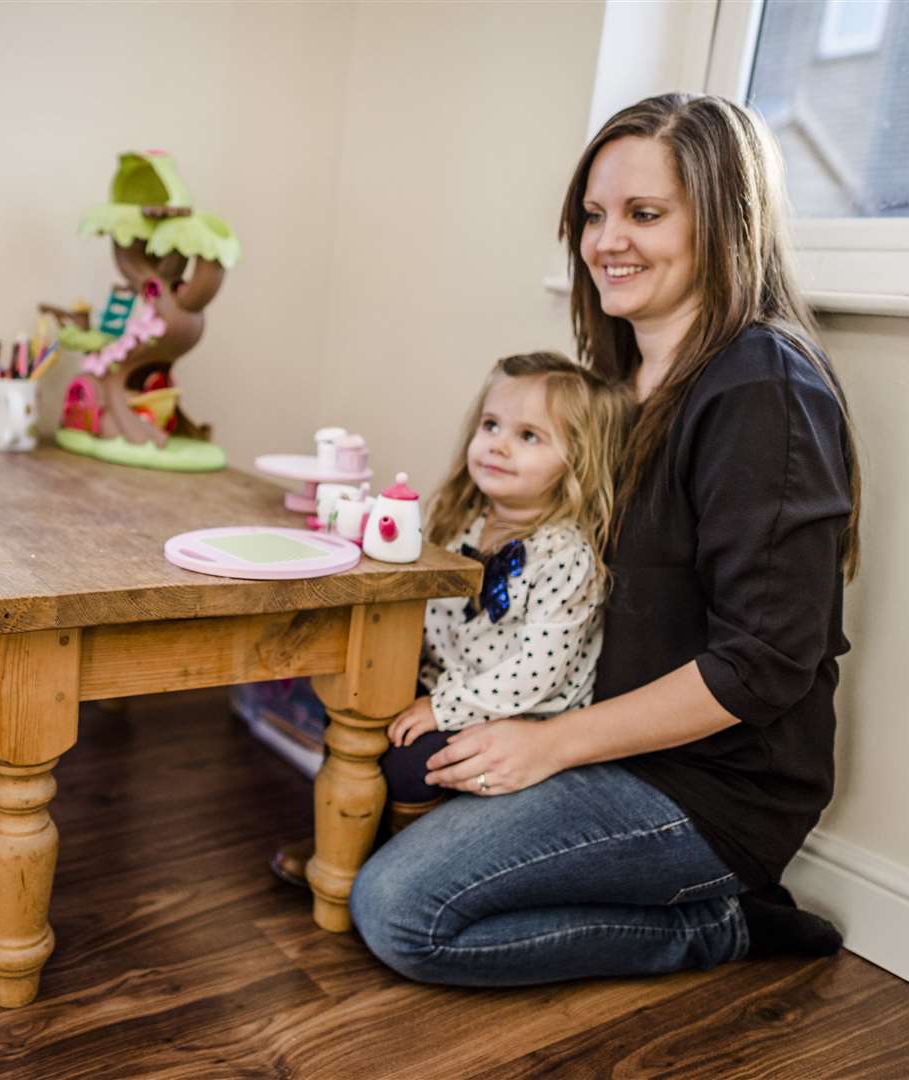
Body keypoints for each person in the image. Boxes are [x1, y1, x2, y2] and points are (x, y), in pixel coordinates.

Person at [346, 92, 858, 986]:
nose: (604, 241)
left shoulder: (761, 391)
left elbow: (766, 661)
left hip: (705, 787)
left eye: (643, 214)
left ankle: (726, 925)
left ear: (726, 224)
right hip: (593, 731)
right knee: (383, 769)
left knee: (401, 913)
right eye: (592, 214)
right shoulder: (618, 381)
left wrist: (549, 744)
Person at [269, 351, 630, 887]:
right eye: (491, 425)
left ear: (576, 460)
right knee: (355, 703)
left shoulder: (566, 557)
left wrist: (442, 708)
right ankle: (347, 834)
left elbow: (537, 673)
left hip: (518, 718)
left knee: (414, 761)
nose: (499, 444)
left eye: (530, 436)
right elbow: (425, 623)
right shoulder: (460, 522)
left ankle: (392, 852)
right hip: (448, 689)